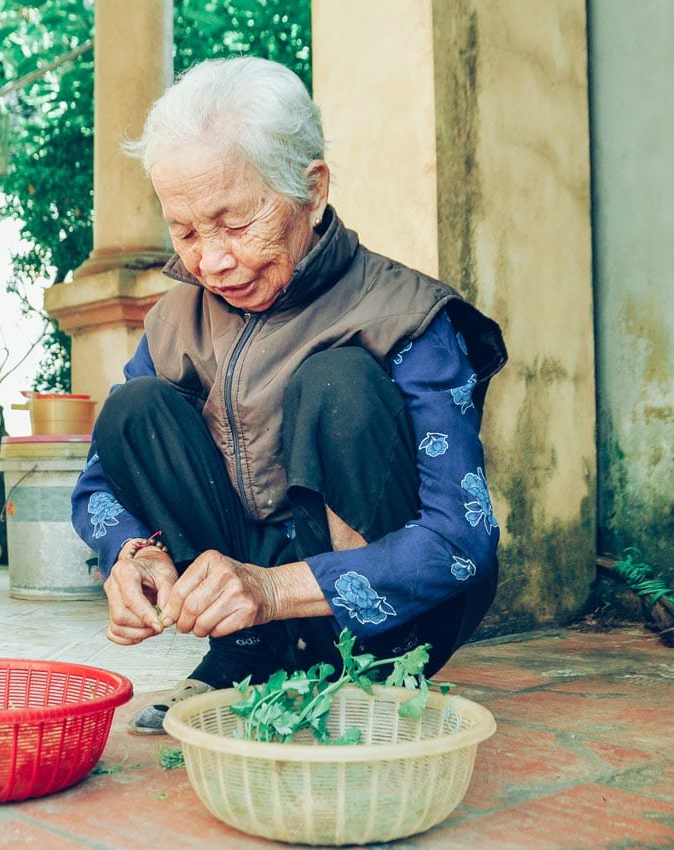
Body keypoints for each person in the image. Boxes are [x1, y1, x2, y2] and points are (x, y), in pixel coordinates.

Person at [69, 57, 507, 734]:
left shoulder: (409, 316)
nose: (210, 261)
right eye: (184, 231)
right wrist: (130, 556)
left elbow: (462, 540)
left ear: (313, 190)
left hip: (390, 623)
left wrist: (272, 588)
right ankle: (244, 657)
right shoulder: (173, 320)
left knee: (337, 384)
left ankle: (365, 670)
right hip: (255, 614)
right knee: (134, 411)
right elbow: (96, 486)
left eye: (235, 224)